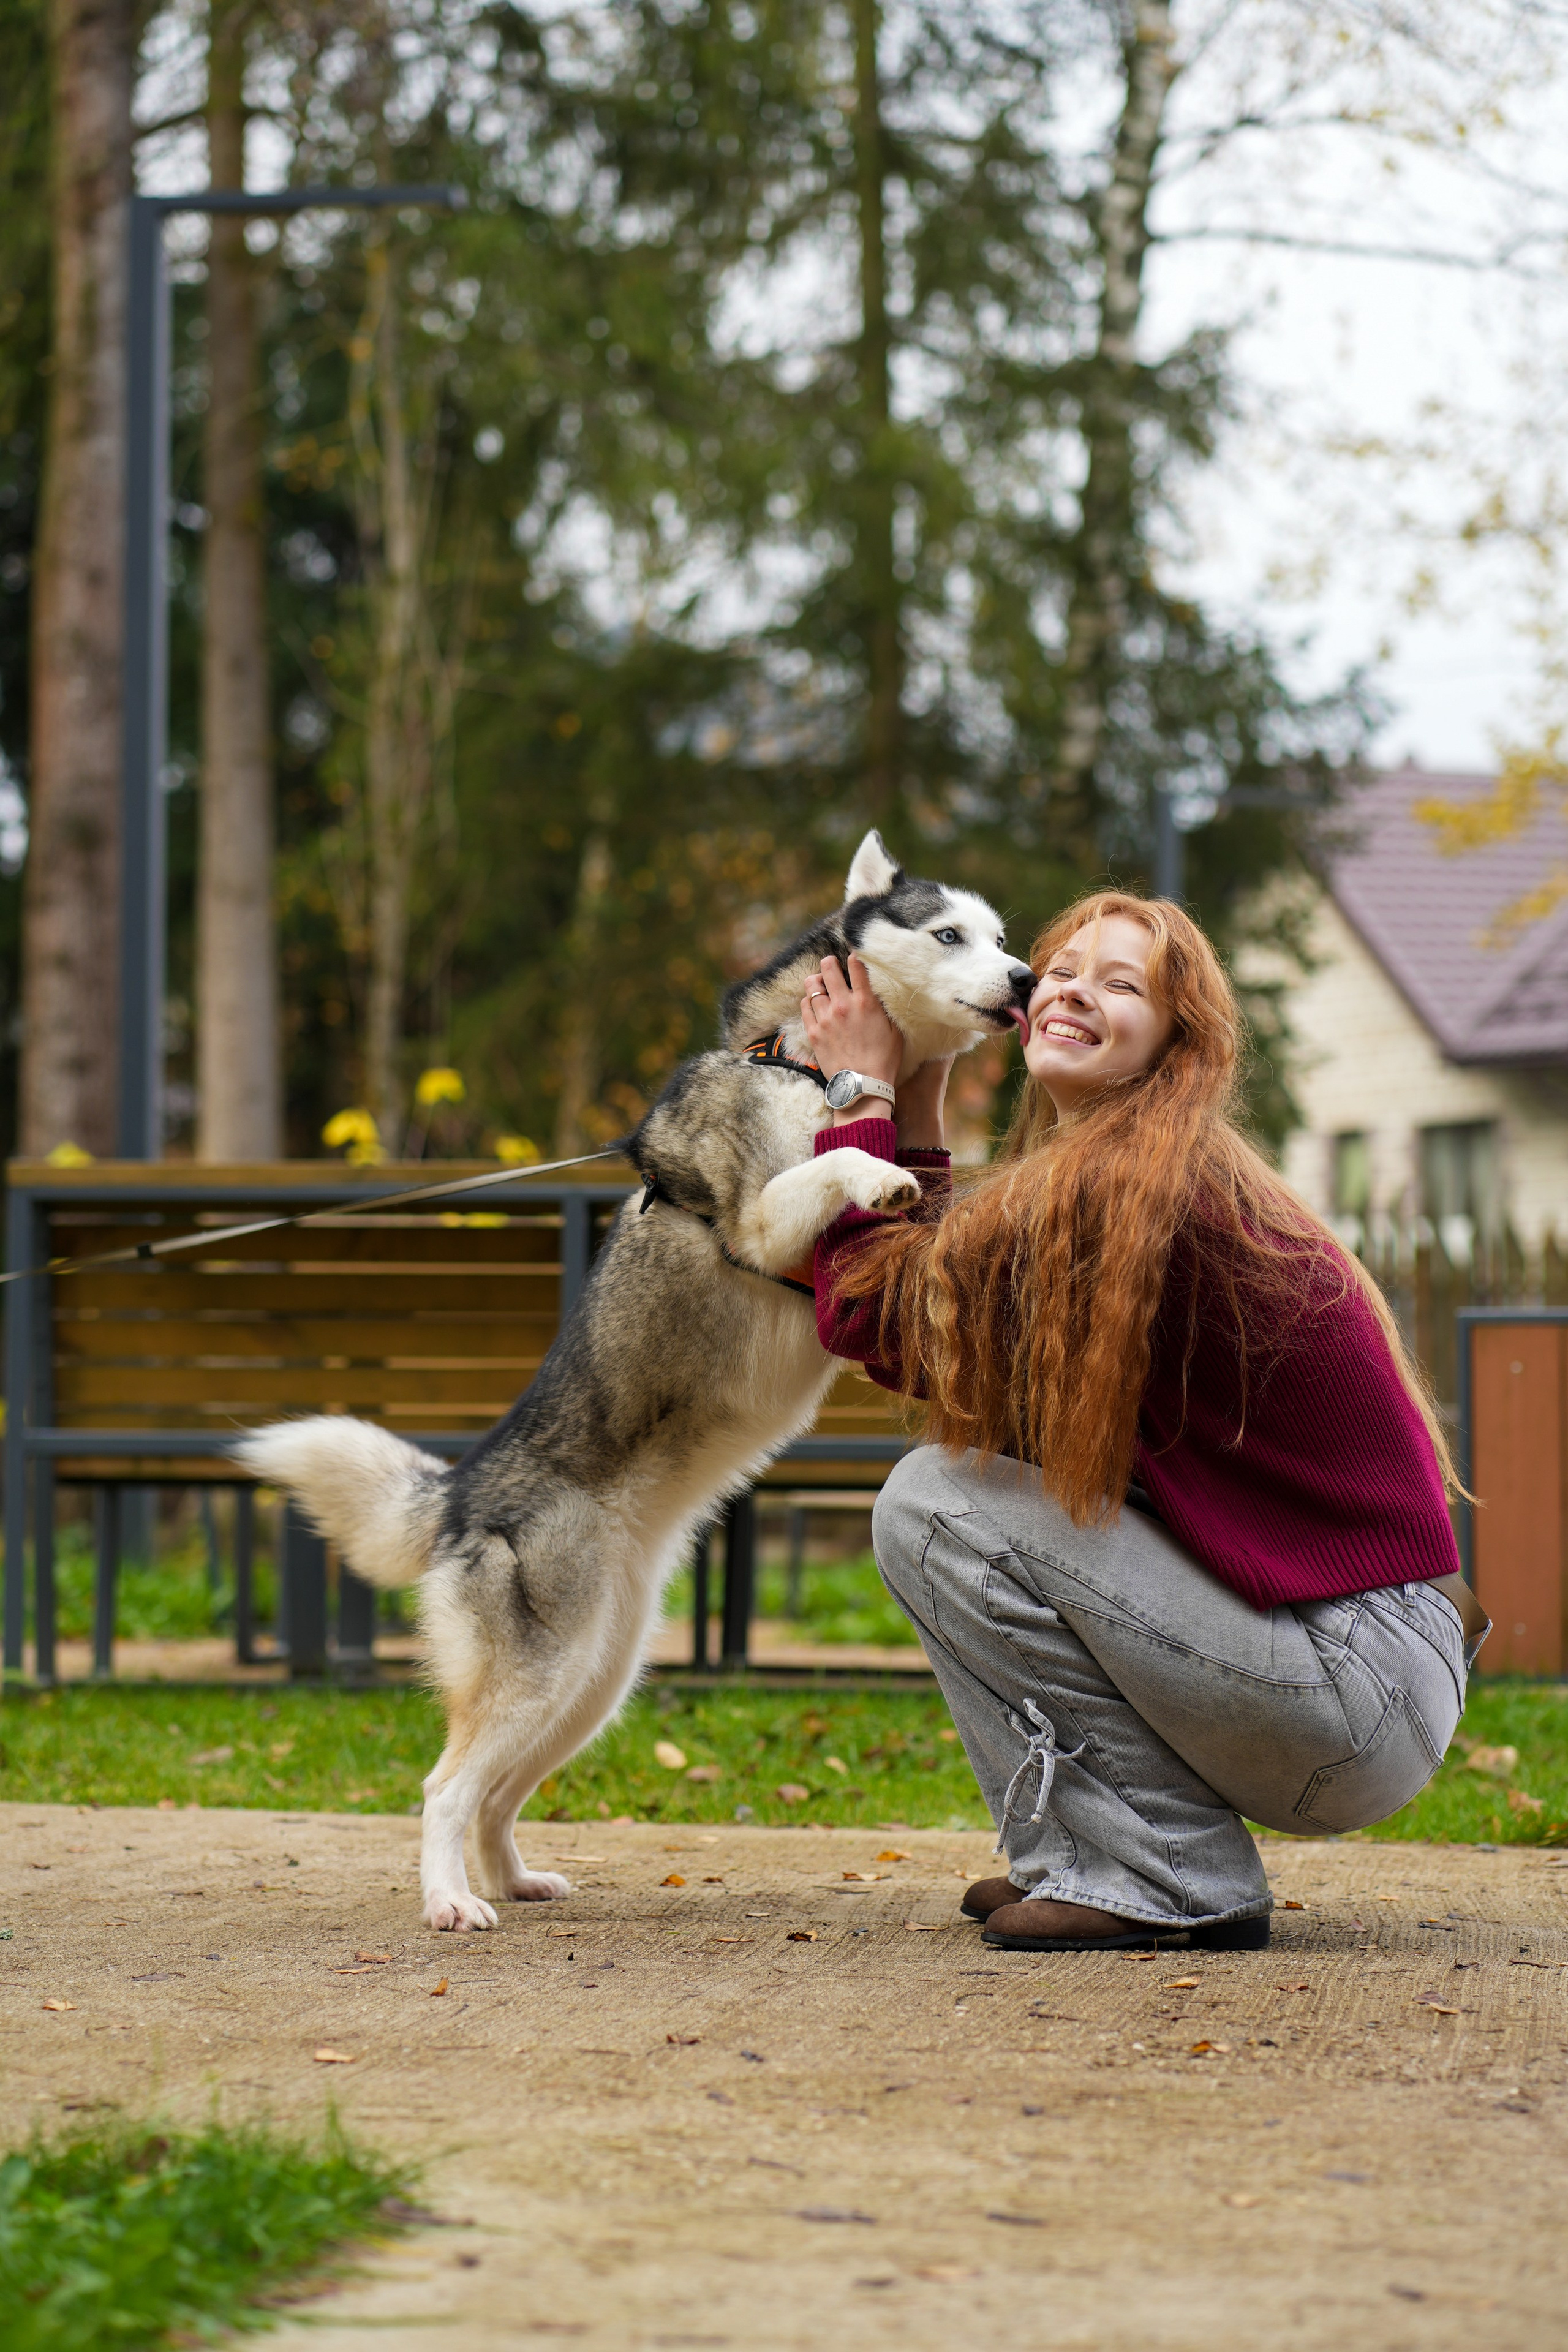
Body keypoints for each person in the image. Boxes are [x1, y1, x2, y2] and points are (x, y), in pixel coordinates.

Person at [797, 892, 1488, 1953]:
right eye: (1062, 970)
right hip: (1364, 1675)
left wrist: (860, 1087)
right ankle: (1097, 1853)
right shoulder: (1143, 1171)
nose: (1074, 989)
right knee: (975, 1485)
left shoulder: (1130, 1188)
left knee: (937, 1506)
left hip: (1355, 1686)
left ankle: (1160, 1871)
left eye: (1122, 984)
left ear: (1177, 1044)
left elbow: (869, 1311)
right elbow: (938, 1314)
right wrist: (925, 1083)